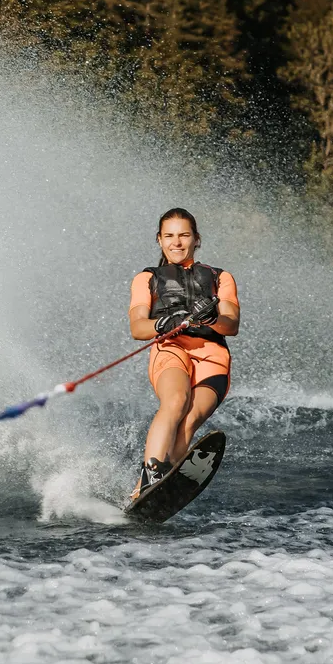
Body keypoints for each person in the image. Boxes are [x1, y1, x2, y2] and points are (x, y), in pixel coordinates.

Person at [129, 208, 240, 497]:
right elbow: (138, 328)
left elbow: (232, 325)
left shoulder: (220, 277)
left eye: (183, 235)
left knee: (189, 420)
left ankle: (162, 487)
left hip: (212, 356)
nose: (176, 242)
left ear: (196, 239)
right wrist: (165, 321)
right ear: (159, 239)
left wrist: (212, 318)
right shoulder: (147, 278)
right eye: (169, 236)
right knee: (176, 400)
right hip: (171, 348)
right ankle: (151, 473)